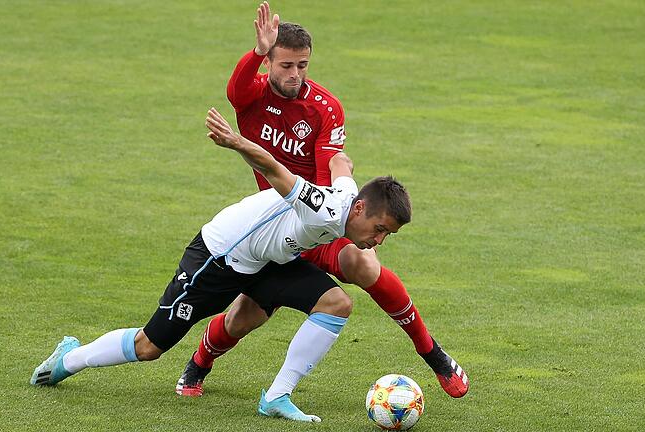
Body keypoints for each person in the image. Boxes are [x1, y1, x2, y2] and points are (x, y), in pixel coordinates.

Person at [30, 107, 411, 423]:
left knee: (336, 304)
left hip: (267, 260)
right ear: (359, 209)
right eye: (379, 229)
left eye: (386, 235)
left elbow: (342, 163)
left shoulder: (349, 198)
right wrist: (236, 142)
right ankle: (70, 357)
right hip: (220, 257)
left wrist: (336, 148)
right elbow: (276, 170)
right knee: (149, 347)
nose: (378, 241)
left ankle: (276, 397)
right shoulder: (326, 210)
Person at [176, 0, 468, 411]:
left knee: (364, 265)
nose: (295, 74)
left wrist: (335, 207)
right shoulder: (252, 97)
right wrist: (257, 51)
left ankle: (431, 352)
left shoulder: (325, 108)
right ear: (270, 64)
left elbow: (329, 165)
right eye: (286, 65)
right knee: (250, 315)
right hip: (273, 226)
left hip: (317, 218)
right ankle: (200, 361)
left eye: (303, 65)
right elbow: (235, 90)